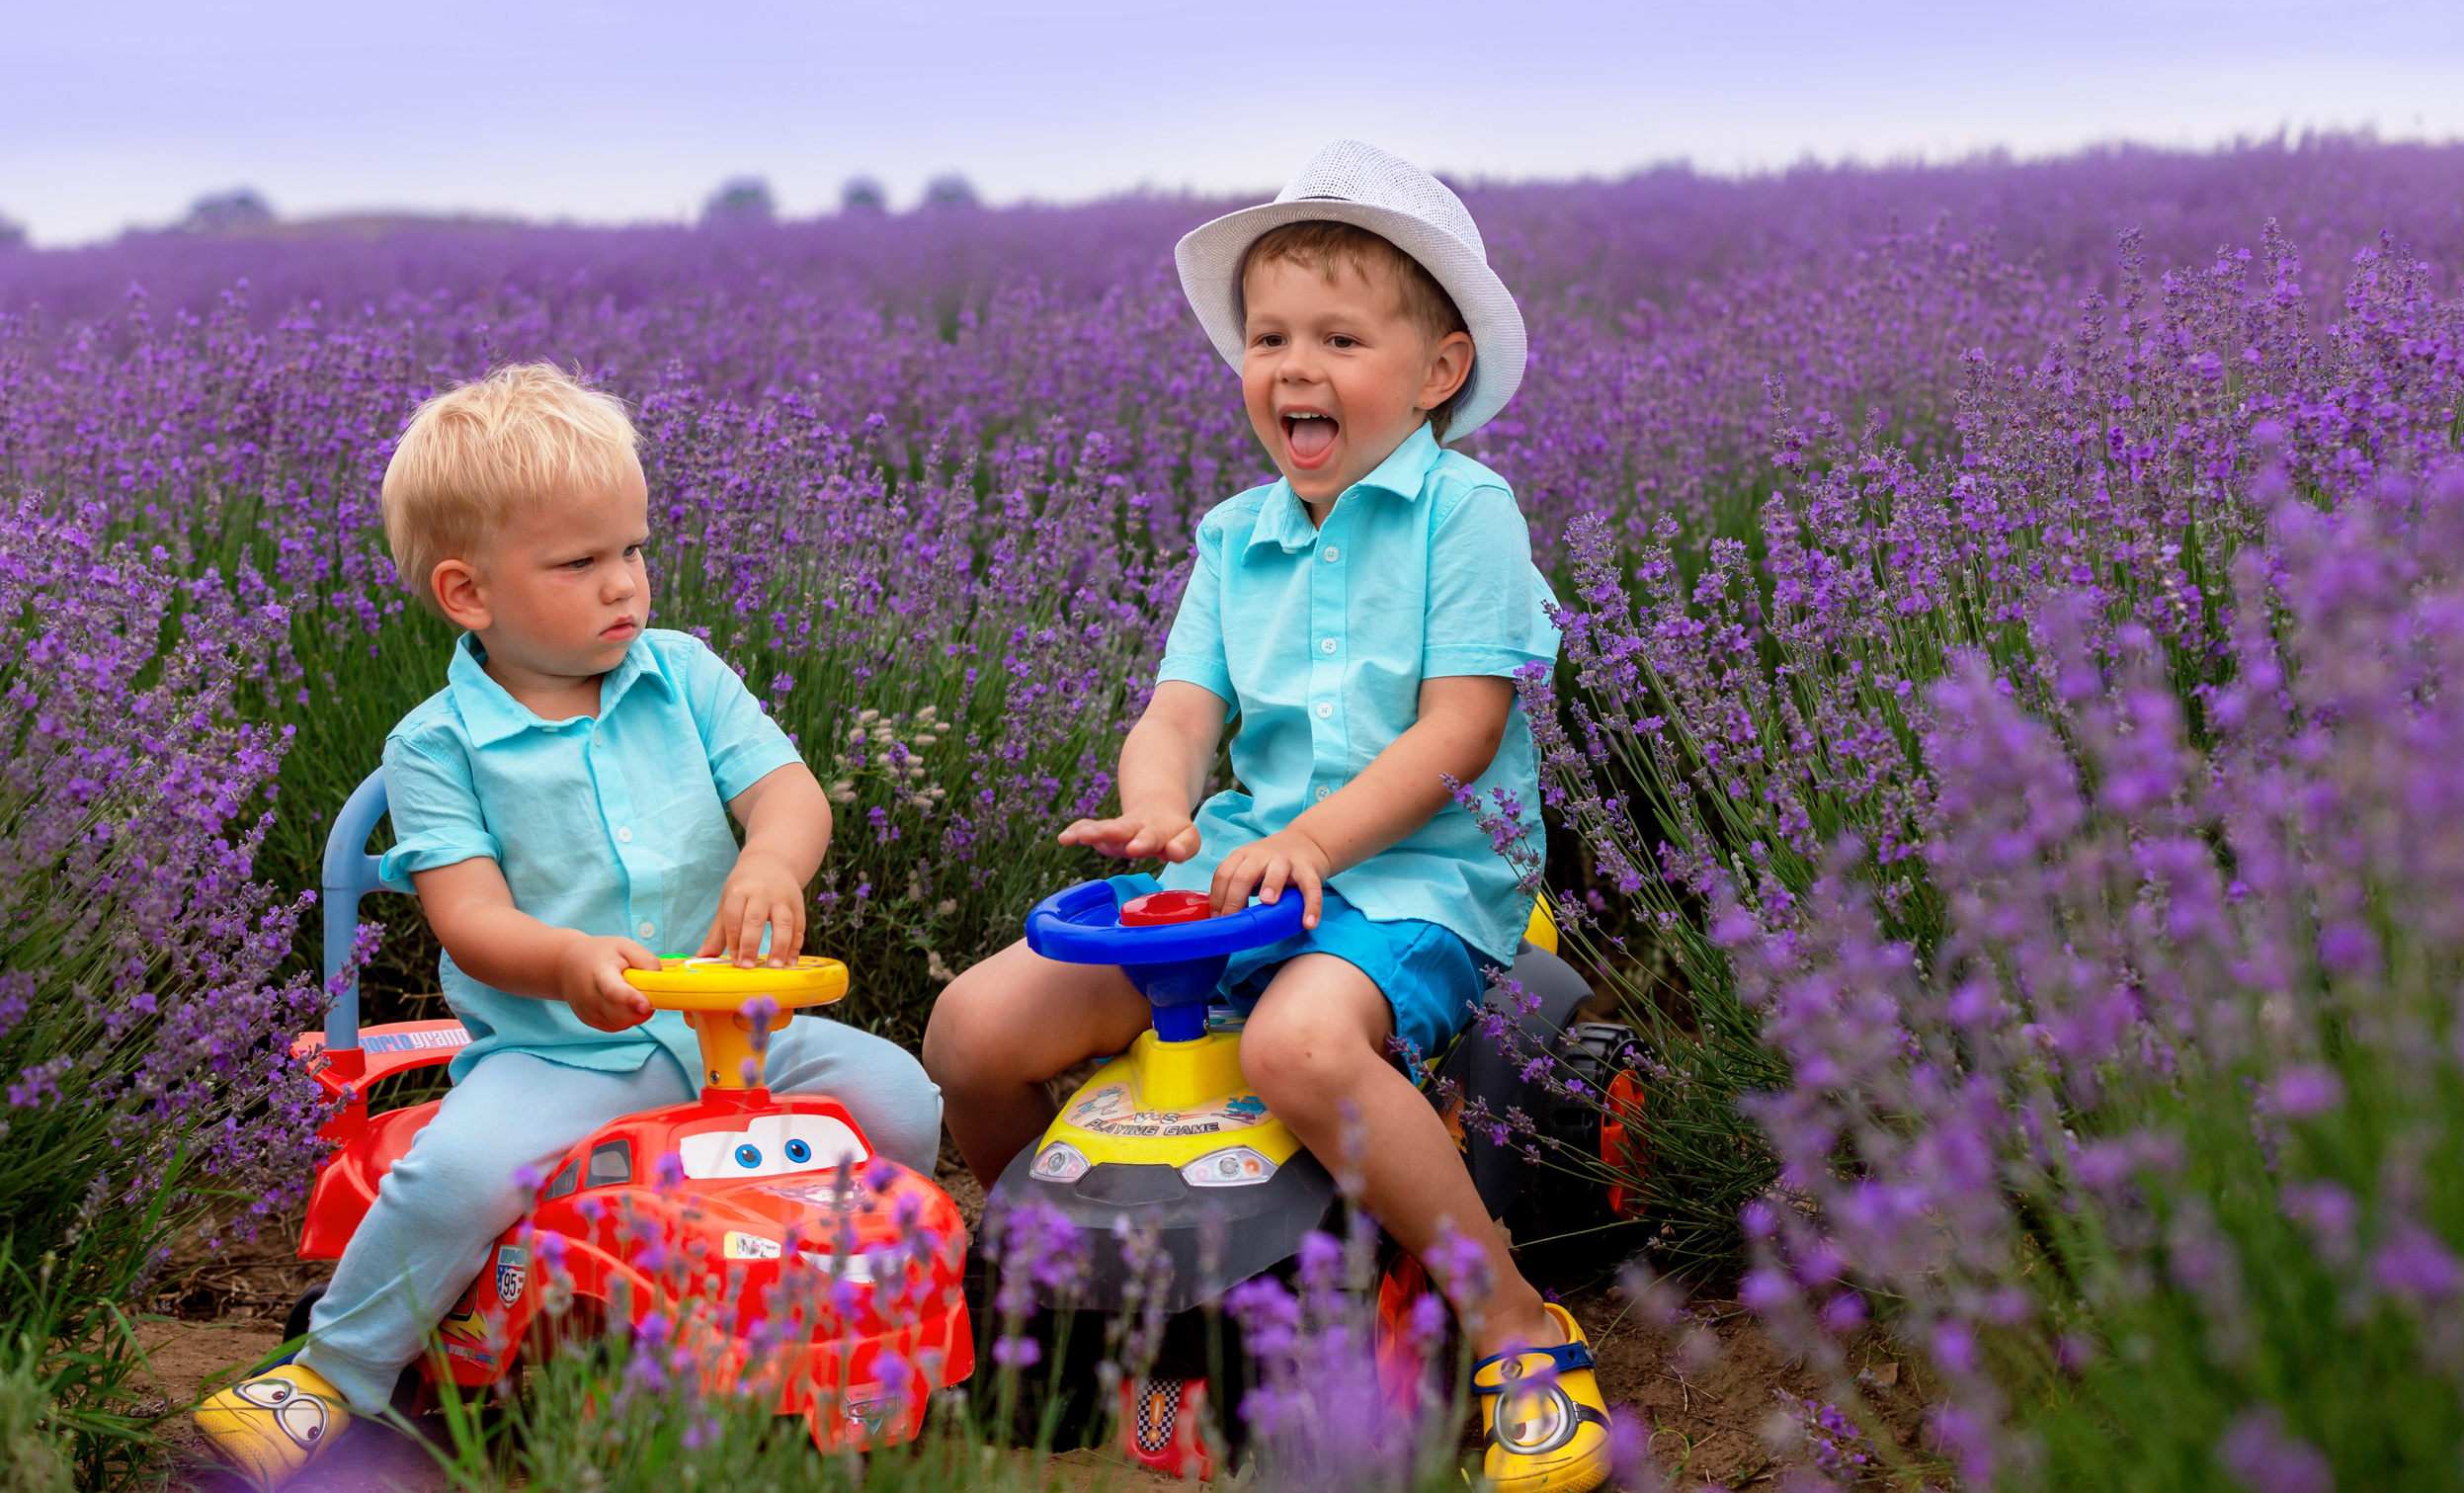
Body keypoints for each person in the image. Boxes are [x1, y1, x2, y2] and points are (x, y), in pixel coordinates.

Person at [924, 140, 1609, 1491]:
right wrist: (1160, 809)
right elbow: (1180, 712)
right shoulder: (1235, 536)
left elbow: (1459, 729)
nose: (1296, 364)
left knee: (1300, 1046)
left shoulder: (1467, 515)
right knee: (973, 1028)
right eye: (1270, 335)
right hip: (1241, 870)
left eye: (1341, 336)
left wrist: (1316, 843)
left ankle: (1514, 1320)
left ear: (1436, 370)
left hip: (1414, 878)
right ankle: (1080, 1290)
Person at [194, 364, 941, 1489]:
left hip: (741, 1033)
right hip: (563, 1050)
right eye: (580, 563)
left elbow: (789, 794)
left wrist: (774, 864)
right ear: (469, 593)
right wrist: (570, 959)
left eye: (632, 550)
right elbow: (470, 916)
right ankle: (332, 1372)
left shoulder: (684, 675)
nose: (623, 584)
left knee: (899, 1103)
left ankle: (852, 1306)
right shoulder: (438, 746)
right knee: (456, 1178)